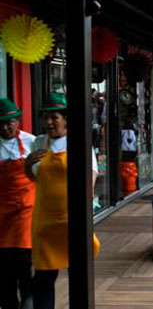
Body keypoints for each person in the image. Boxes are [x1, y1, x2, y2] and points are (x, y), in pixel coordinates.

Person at [24, 93, 100, 309]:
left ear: (66, 119)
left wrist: (83, 212)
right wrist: (27, 166)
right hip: (45, 222)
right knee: (43, 278)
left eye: (54, 117)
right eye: (46, 117)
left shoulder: (79, 142)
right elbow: (34, 177)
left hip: (71, 219)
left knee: (77, 273)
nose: (48, 122)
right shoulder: (38, 142)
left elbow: (91, 177)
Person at [0, 98, 35, 309]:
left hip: (26, 211)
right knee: (3, 265)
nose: (6, 127)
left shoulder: (32, 142)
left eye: (10, 122)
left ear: (17, 121)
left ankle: (28, 300)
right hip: (1, 214)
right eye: (2, 123)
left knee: (23, 259)